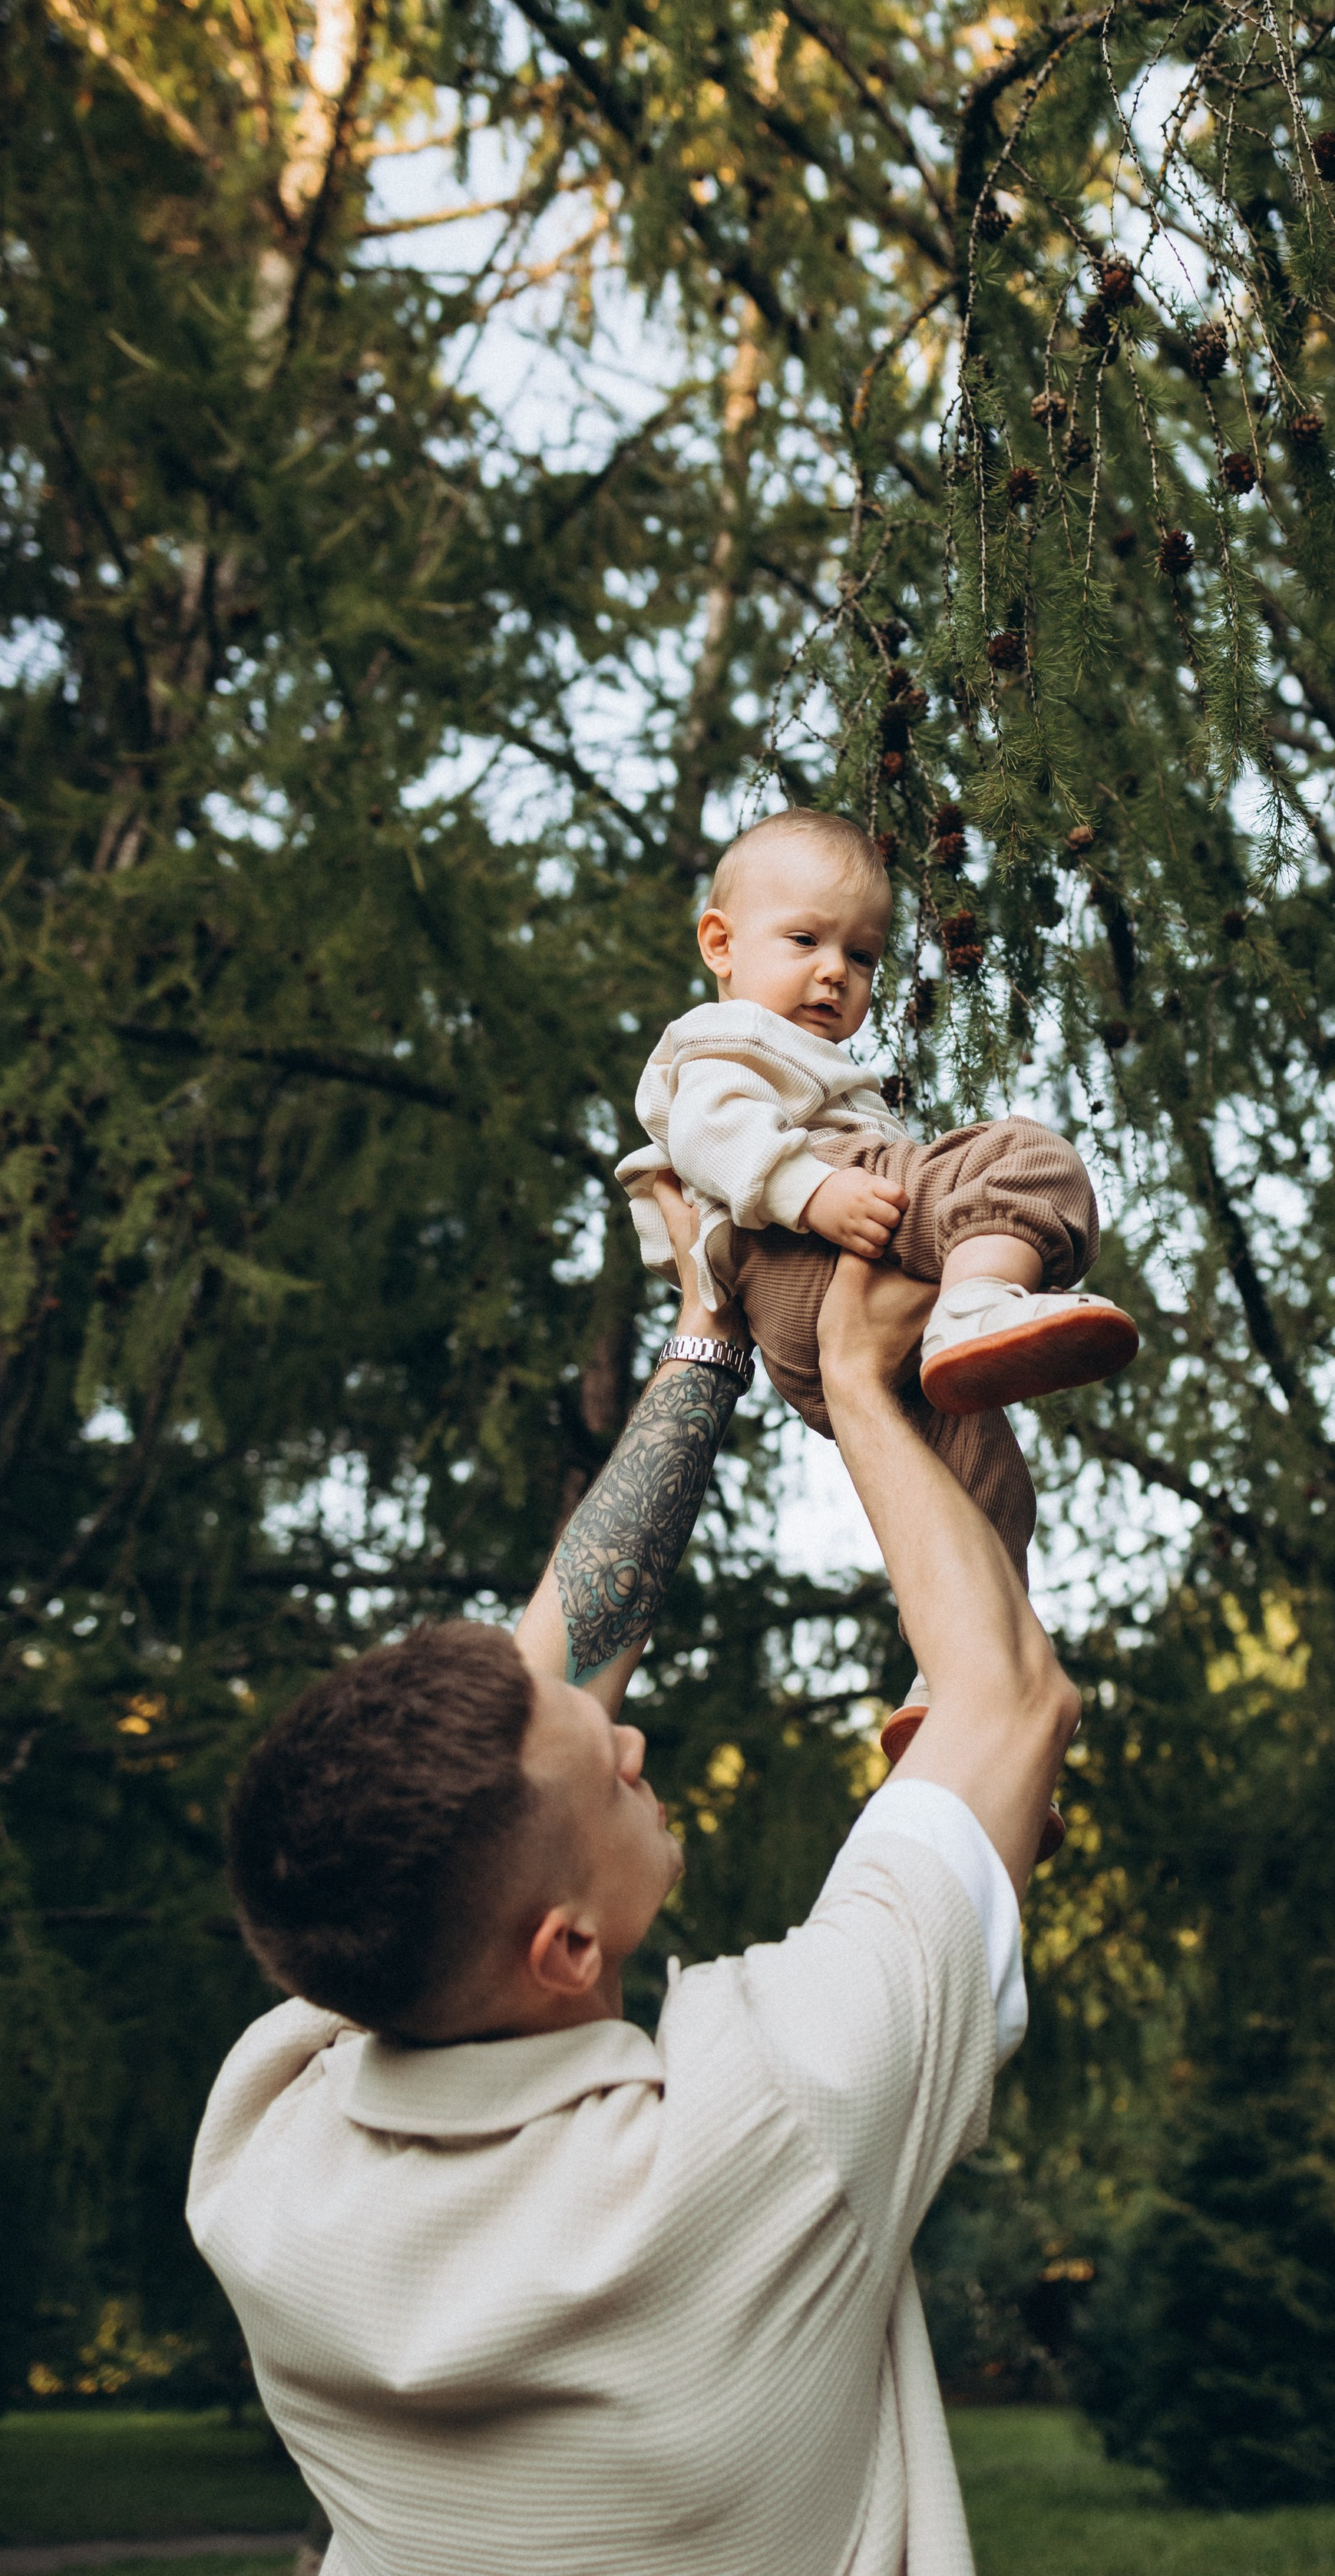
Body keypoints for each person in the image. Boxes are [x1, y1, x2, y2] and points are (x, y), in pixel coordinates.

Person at [187, 1176, 1079, 2576]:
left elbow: (532, 1706)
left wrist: (710, 1336)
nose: (630, 1731)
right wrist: (854, 1382)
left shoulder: (266, 2161)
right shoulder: (771, 2120)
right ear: (562, 1950)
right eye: (608, 1764)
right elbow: (1008, 1698)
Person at [615, 805, 1139, 1582]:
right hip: (797, 1240)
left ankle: (957, 1659)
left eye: (861, 957)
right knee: (1026, 1157)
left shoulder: (798, 1053)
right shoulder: (727, 1038)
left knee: (983, 1481)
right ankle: (975, 1302)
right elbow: (710, 1129)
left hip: (797, 1324)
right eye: (805, 940)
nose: (835, 971)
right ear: (721, 944)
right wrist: (811, 1188)